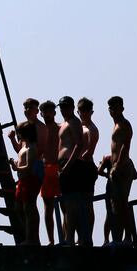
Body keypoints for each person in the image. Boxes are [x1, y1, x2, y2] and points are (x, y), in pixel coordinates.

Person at [57, 96, 89, 245]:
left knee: (72, 204)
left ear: (72, 107)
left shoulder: (75, 122)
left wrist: (67, 166)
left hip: (71, 166)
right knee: (66, 204)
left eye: (67, 107)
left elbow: (79, 145)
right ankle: (71, 237)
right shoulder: (64, 123)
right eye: (62, 107)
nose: (64, 110)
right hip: (64, 165)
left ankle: (72, 239)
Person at [107, 96, 136, 245]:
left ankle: (128, 238)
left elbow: (125, 146)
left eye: (116, 107)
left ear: (122, 108)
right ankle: (119, 238)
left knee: (122, 203)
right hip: (115, 166)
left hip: (122, 167)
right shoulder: (116, 124)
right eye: (111, 108)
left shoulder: (124, 124)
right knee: (116, 204)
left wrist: (117, 165)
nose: (113, 110)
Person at [10, 122, 44, 245]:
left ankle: (32, 239)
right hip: (22, 180)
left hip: (30, 179)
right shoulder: (24, 146)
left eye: (20, 133)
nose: (19, 135)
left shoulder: (32, 147)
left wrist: (16, 168)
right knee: (18, 208)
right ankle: (30, 236)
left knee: (29, 208)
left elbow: (29, 167)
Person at [77, 98, 100, 244]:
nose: (83, 113)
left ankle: (87, 236)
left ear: (91, 112)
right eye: (81, 110)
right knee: (76, 204)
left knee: (87, 203)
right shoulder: (77, 126)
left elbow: (89, 152)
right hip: (77, 167)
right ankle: (80, 236)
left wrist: (75, 162)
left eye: (86, 110)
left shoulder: (92, 128)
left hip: (86, 167)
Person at [39, 100, 61, 245]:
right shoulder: (39, 129)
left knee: (64, 204)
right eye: (44, 112)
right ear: (41, 113)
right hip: (45, 169)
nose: (47, 114)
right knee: (48, 207)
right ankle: (51, 240)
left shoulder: (61, 128)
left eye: (50, 111)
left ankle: (65, 237)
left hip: (59, 168)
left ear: (54, 112)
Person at [98, 155, 113, 244]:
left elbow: (135, 175)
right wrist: (108, 175)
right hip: (111, 189)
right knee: (109, 214)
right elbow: (99, 171)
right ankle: (106, 239)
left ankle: (118, 239)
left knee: (117, 215)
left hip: (121, 190)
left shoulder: (126, 159)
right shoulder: (108, 158)